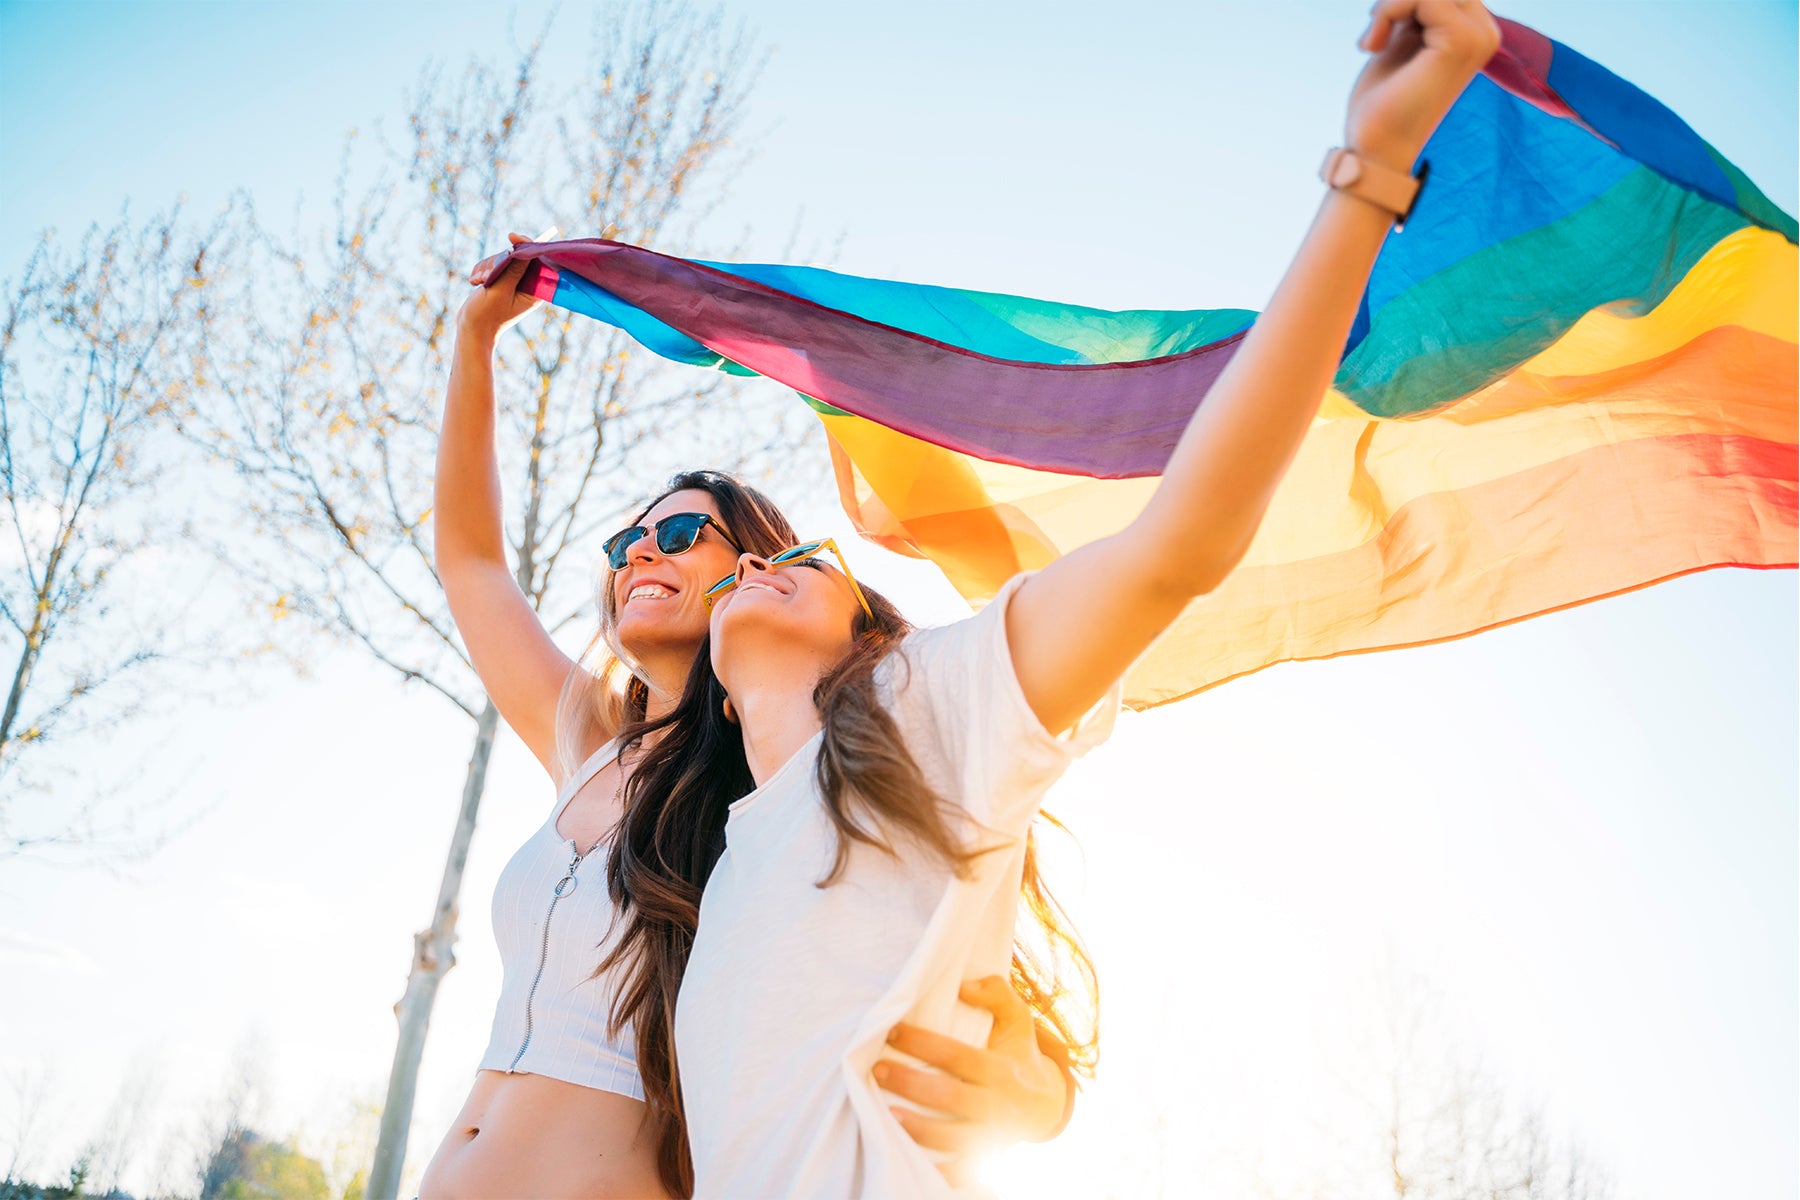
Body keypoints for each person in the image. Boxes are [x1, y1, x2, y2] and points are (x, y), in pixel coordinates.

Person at [607, 3, 1504, 1195]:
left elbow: (1181, 540)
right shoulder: (713, 869)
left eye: (809, 559)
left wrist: (1367, 172)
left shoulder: (935, 706)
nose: (770, 567)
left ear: (869, 634)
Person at [422, 263, 1079, 1198]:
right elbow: (472, 565)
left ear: (755, 573)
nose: (641, 550)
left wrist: (1038, 1097)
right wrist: (475, 340)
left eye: (683, 534)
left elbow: (950, 928)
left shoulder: (785, 775)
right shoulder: (592, 743)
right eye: (626, 544)